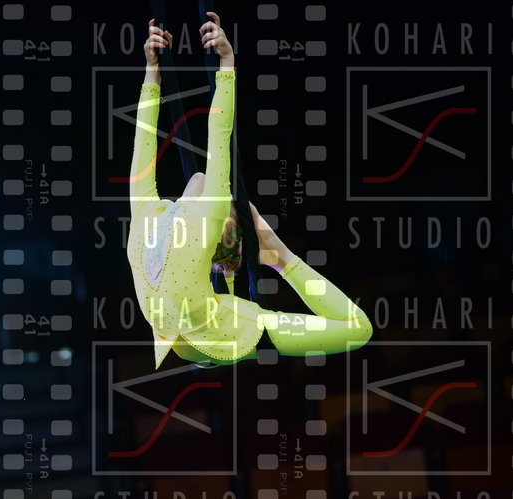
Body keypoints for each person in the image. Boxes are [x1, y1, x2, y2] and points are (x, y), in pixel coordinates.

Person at [126, 13, 373, 369]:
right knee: (356, 328)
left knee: (357, 330)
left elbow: (150, 141)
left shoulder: (154, 214)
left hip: (205, 335)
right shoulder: (195, 216)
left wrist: (155, 73)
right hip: (201, 333)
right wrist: (223, 65)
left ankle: (278, 258)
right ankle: (281, 258)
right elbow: (212, 134)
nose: (204, 180)